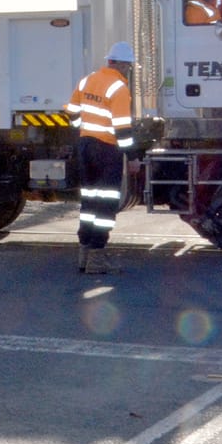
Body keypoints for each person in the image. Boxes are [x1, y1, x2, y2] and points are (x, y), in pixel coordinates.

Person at [66, 42, 136, 275]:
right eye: (129, 66)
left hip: (86, 146)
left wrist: (82, 129)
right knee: (106, 203)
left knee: (89, 200)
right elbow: (123, 130)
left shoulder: (88, 80)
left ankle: (84, 254)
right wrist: (133, 157)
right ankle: (98, 256)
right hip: (107, 150)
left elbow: (71, 111)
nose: (129, 70)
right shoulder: (119, 88)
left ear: (109, 61)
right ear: (123, 65)